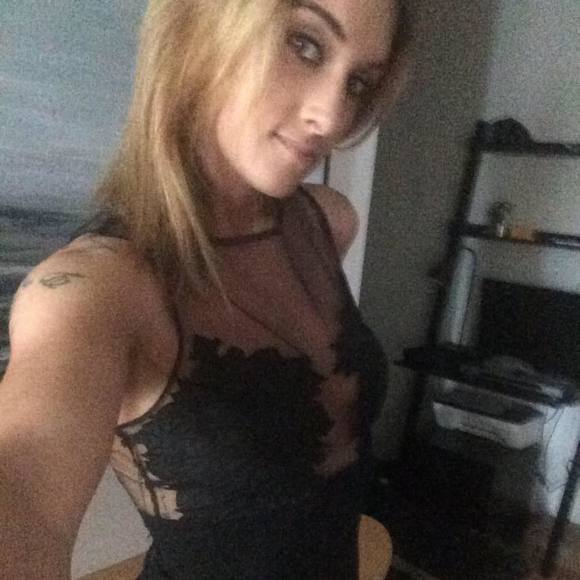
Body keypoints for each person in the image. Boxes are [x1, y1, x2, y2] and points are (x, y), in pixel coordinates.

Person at [0, 0, 412, 577]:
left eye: (359, 81)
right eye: (305, 44)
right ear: (197, 26)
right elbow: (27, 489)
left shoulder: (326, 222)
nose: (332, 116)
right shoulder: (95, 291)